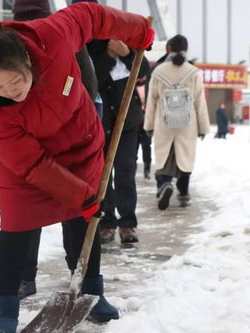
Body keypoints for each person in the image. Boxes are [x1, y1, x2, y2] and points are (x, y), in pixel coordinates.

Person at [0, 3, 154, 332]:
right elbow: (30, 162)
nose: (10, 94)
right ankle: (5, 310)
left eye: (15, 82)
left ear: (28, 61)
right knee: (17, 227)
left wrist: (138, 32)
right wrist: (80, 194)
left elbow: (94, 16)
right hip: (23, 166)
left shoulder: (55, 35)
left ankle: (92, 292)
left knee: (82, 219)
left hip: (80, 144)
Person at [11, 0, 102, 302]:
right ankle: (82, 278)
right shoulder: (58, 33)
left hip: (48, 144)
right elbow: (89, 87)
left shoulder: (17, 39)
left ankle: (31, 278)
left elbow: (86, 86)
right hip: (51, 144)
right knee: (73, 210)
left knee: (39, 211)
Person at [86, 36, 150, 244]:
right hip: (100, 122)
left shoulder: (129, 45)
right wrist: (108, 57)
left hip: (128, 123)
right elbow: (92, 80)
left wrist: (126, 54)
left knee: (126, 172)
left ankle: (127, 224)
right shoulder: (91, 47)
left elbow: (143, 72)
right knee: (103, 176)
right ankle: (107, 223)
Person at [144, 34, 210, 210]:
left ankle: (164, 184)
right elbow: (200, 101)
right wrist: (203, 127)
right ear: (186, 50)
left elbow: (151, 101)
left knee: (164, 155)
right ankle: (183, 193)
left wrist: (148, 126)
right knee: (185, 156)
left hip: (163, 121)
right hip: (187, 123)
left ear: (168, 49)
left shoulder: (158, 71)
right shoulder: (194, 72)